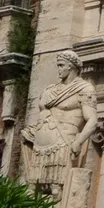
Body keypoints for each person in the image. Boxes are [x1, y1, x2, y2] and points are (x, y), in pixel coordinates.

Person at [22, 50, 98, 199]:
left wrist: (78, 141)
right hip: (39, 146)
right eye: (58, 65)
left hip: (63, 144)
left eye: (61, 65)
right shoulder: (49, 90)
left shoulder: (84, 89)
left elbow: (92, 120)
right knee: (31, 191)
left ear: (71, 67)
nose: (59, 69)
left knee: (58, 191)